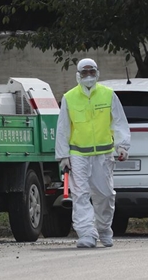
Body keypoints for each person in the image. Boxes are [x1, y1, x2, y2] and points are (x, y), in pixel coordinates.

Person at [56, 58, 131, 248]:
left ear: (97, 73)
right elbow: (63, 128)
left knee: (105, 195)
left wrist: (122, 145)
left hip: (103, 155)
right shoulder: (69, 97)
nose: (88, 75)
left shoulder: (108, 95)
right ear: (78, 76)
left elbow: (119, 122)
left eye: (91, 72)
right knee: (80, 195)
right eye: (84, 72)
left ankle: (104, 229)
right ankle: (87, 234)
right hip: (78, 155)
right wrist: (63, 156)